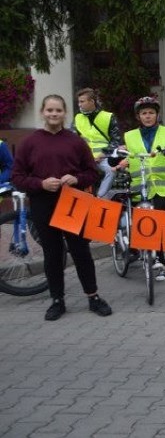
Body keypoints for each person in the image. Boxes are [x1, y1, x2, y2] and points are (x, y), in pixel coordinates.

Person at [11, 94, 112, 320]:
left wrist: (76, 179)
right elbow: (17, 177)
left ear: (65, 113)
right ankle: (57, 300)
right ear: (43, 113)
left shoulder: (76, 141)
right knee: (52, 254)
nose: (53, 114)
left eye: (58, 110)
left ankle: (93, 296)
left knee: (80, 251)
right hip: (43, 202)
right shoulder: (30, 142)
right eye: (49, 110)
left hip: (73, 202)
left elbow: (92, 172)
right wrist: (40, 183)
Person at [122, 96, 165, 281]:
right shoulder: (129, 136)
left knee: (156, 224)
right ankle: (139, 250)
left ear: (157, 115)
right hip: (140, 187)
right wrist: (115, 158)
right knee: (141, 223)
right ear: (138, 117)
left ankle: (161, 263)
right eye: (144, 113)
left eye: (151, 113)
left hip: (164, 188)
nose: (147, 116)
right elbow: (122, 156)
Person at [72, 88, 122, 198]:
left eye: (82, 101)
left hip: (103, 158)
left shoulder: (108, 117)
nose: (79, 105)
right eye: (78, 102)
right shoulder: (77, 118)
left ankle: (100, 197)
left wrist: (103, 154)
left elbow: (116, 141)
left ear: (92, 102)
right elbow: (72, 141)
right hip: (84, 159)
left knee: (111, 171)